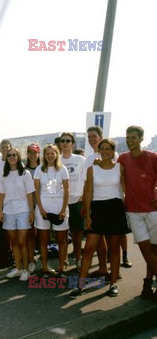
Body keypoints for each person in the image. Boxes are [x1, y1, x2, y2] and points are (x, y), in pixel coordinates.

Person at [69, 139, 128, 298]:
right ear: (99, 151)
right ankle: (80, 286)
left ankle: (113, 283)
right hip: (98, 210)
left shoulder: (119, 168)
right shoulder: (91, 169)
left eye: (108, 149)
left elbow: (125, 190)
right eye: (102, 148)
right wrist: (88, 214)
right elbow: (88, 192)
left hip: (115, 209)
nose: (105, 151)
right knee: (88, 249)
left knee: (114, 249)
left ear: (113, 150)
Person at [117, 126, 157, 300]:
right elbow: (116, 175)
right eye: (128, 137)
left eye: (133, 137)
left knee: (153, 250)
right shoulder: (123, 158)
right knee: (145, 249)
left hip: (153, 209)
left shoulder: (153, 157)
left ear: (141, 139)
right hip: (133, 210)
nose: (129, 140)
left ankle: (148, 284)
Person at [0, 148, 35, 281]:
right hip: (8, 212)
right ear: (6, 158)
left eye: (14, 155)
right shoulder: (3, 175)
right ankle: (18, 268)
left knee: (22, 241)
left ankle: (26, 269)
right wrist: (0, 211)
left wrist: (32, 211)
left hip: (23, 211)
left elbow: (30, 194)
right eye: (9, 155)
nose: (12, 157)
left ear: (19, 157)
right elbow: (1, 194)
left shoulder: (25, 174)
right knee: (13, 242)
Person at [34, 144, 70, 278]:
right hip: (43, 205)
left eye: (52, 153)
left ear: (56, 154)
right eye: (47, 153)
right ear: (44, 155)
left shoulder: (63, 169)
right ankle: (45, 268)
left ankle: (61, 268)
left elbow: (67, 190)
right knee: (43, 240)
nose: (50, 156)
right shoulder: (39, 169)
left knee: (62, 240)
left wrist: (63, 209)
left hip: (59, 205)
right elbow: (36, 191)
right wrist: (41, 208)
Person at [60, 133, 86, 271]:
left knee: (77, 234)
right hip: (61, 202)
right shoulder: (56, 160)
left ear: (73, 144)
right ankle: (63, 261)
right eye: (62, 141)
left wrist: (84, 197)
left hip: (77, 201)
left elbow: (87, 179)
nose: (65, 143)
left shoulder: (81, 159)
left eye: (68, 141)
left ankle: (78, 259)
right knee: (62, 234)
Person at [25, 143, 41, 273]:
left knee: (43, 235)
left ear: (38, 154)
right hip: (29, 205)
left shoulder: (43, 168)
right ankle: (30, 260)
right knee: (30, 234)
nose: (32, 155)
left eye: (34, 152)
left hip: (43, 205)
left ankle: (44, 262)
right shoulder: (23, 170)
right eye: (30, 152)